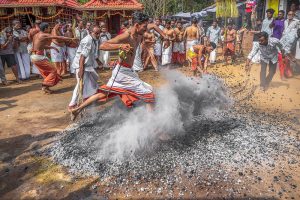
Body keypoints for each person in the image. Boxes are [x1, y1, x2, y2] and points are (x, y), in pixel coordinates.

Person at [70, 11, 168, 120]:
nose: (146, 30)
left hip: (126, 71)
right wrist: (120, 46)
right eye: (144, 27)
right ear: (137, 25)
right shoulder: (126, 36)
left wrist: (165, 37)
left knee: (103, 94)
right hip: (122, 72)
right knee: (149, 93)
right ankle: (153, 126)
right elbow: (103, 45)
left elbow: (154, 26)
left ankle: (76, 109)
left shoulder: (141, 30)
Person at [31, 22, 73, 94]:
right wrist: (71, 38)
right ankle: (45, 85)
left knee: (48, 71)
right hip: (39, 57)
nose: (49, 29)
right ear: (45, 28)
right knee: (53, 70)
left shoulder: (36, 35)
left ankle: (46, 87)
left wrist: (52, 47)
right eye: (48, 27)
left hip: (35, 57)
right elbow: (57, 37)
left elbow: (39, 46)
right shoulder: (44, 35)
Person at [69, 26, 102, 109]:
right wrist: (81, 70)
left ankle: (87, 98)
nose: (98, 35)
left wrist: (98, 61)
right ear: (91, 32)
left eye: (99, 33)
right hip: (81, 65)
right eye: (96, 33)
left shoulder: (94, 40)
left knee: (94, 80)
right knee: (80, 84)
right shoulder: (88, 40)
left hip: (88, 66)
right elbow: (82, 57)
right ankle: (72, 104)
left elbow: (92, 53)